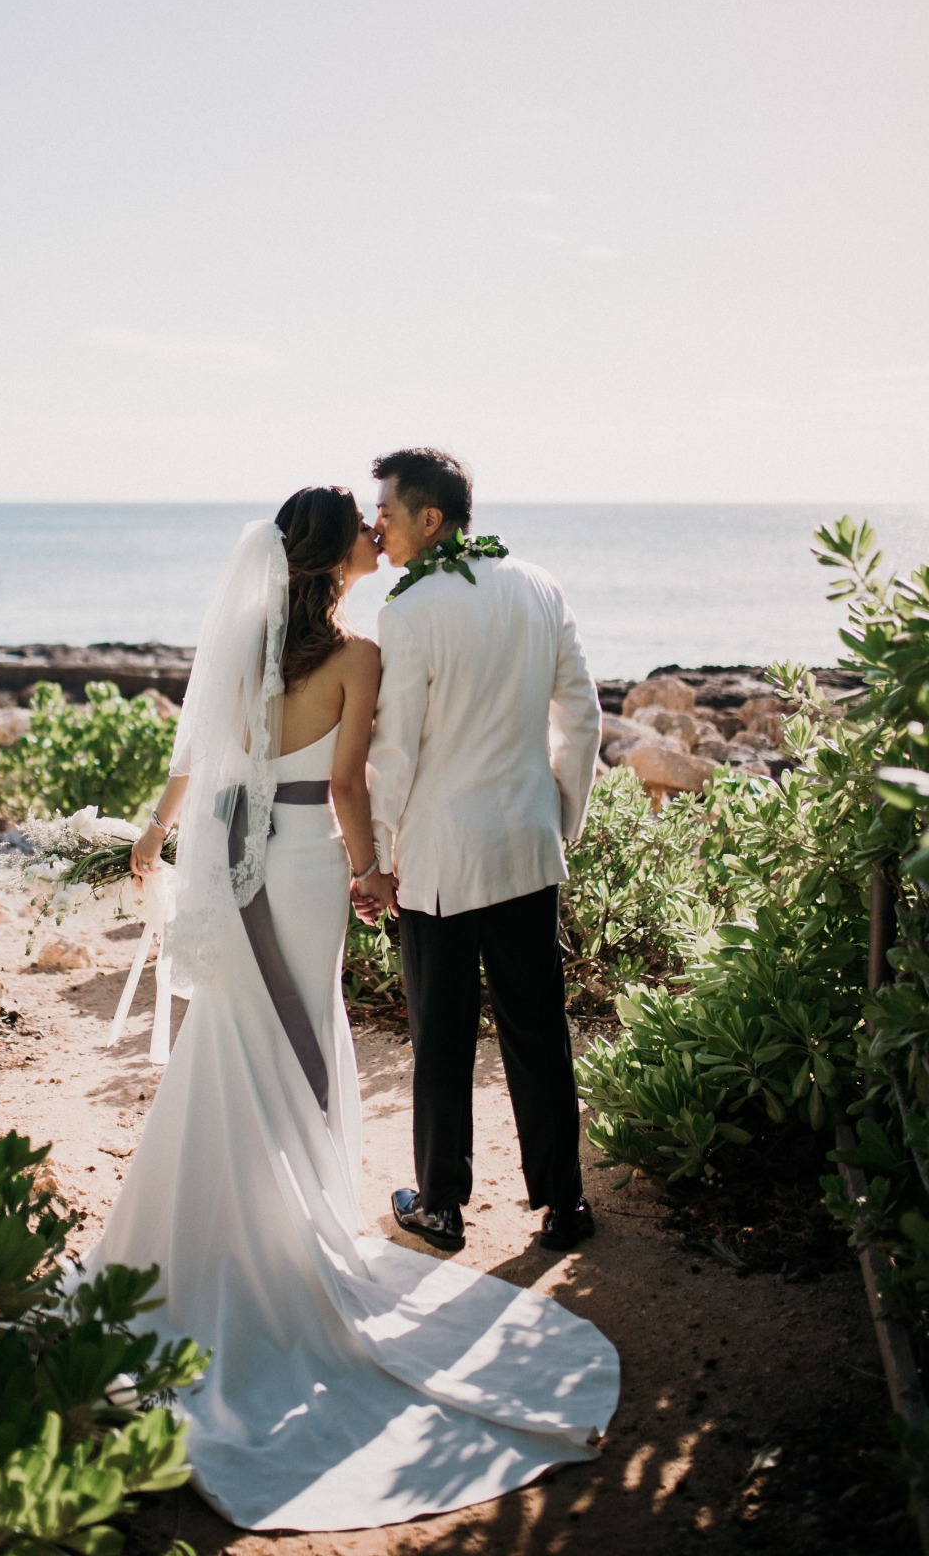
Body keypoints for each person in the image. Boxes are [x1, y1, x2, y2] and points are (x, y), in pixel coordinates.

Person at [77, 485, 618, 1532]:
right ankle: (294, 1230)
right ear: (339, 561)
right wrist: (372, 872)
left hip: (227, 862)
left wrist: (155, 834)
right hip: (311, 866)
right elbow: (346, 787)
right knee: (310, 1036)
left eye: (389, 518)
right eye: (366, 529)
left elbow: (196, 754)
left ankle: (209, 1237)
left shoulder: (242, 644)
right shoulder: (359, 654)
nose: (380, 535)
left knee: (233, 1035)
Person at [359, 447, 602, 1256]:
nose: (378, 529)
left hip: (442, 856)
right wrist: (558, 819)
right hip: (526, 845)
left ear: (431, 519)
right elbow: (582, 718)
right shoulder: (540, 586)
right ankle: (564, 1206)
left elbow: (394, 752)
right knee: (539, 1028)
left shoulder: (409, 610)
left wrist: (380, 857)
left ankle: (441, 1205)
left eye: (388, 514)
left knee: (443, 1034)